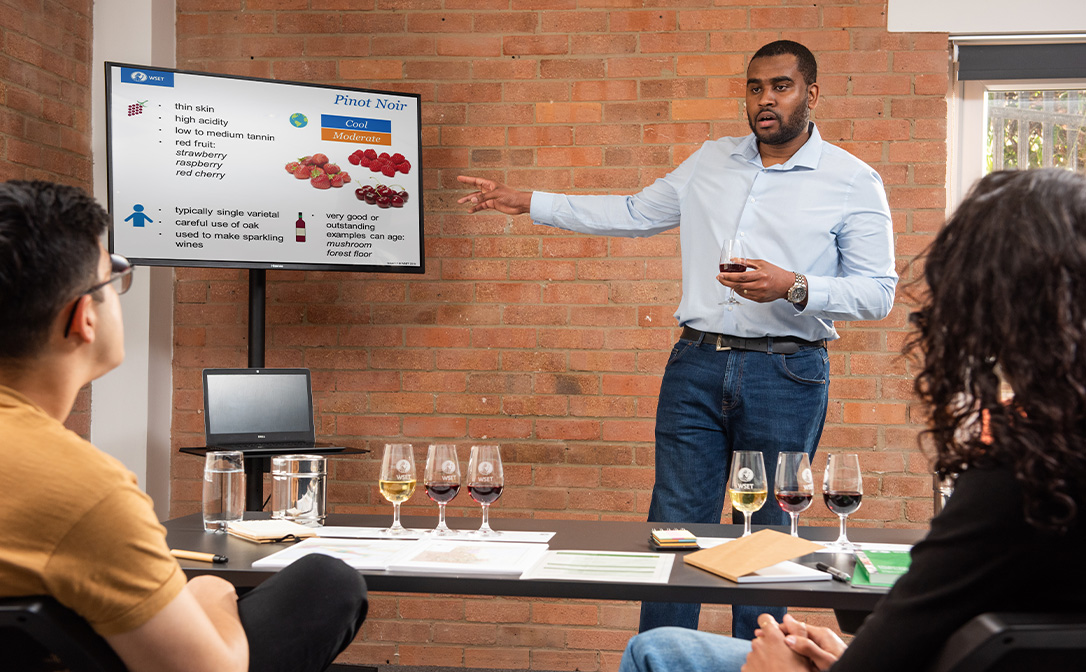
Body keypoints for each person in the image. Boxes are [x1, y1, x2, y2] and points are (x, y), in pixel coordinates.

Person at [457, 39, 896, 639]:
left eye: (781, 87)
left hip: (786, 374)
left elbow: (877, 293)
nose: (766, 100)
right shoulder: (712, 160)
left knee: (766, 539)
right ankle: (660, 655)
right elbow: (636, 211)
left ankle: (757, 658)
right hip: (696, 363)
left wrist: (794, 287)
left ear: (811, 94)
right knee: (674, 530)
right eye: (755, 87)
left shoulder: (852, 180)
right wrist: (528, 201)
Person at [617, 167, 1086, 672]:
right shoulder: (1054, 445)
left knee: (657, 649)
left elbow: (907, 626)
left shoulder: (1021, 468)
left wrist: (793, 665)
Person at [0, 180, 367, 672]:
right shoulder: (83, 490)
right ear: (83, 317)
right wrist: (212, 591)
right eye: (113, 279)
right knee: (327, 581)